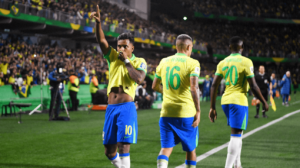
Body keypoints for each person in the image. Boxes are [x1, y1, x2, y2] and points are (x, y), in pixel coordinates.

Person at [91, 6, 147, 168]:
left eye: (124, 46)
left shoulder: (139, 61)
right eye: (119, 46)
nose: (120, 49)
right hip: (111, 108)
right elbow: (101, 41)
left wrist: (127, 62)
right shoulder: (113, 56)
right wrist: (98, 23)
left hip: (126, 107)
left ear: (132, 48)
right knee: (109, 151)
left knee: (124, 146)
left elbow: (139, 79)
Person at [209, 36, 268, 168]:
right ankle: (228, 166)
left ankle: (237, 164)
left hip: (225, 101)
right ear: (242, 48)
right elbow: (253, 86)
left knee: (239, 133)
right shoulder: (246, 62)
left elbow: (214, 86)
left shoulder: (222, 63)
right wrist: (264, 101)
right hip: (239, 101)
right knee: (235, 136)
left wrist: (212, 107)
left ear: (229, 47)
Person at [152, 34, 201, 168]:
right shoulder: (193, 63)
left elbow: (154, 86)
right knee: (190, 149)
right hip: (186, 114)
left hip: (166, 113)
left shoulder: (164, 61)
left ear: (176, 46)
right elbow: (194, 87)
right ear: (189, 47)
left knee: (166, 149)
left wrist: (166, 92)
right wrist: (198, 110)